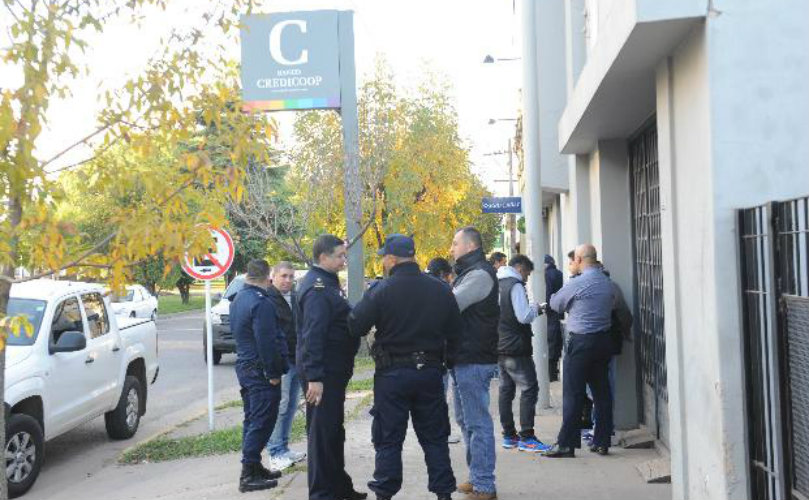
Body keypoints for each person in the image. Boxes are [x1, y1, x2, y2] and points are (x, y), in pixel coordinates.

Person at [349, 235, 462, 500]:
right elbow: (457, 333)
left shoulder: (381, 290)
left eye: (383, 258)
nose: (383, 263)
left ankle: (385, 494)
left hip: (392, 375)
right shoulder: (440, 289)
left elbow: (355, 325)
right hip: (430, 372)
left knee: (388, 438)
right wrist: (447, 364)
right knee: (435, 437)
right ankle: (443, 493)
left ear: (392, 258)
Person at [298, 235, 366, 500]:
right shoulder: (317, 288)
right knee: (322, 436)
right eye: (339, 256)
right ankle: (322, 493)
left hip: (333, 373)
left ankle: (339, 489)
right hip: (322, 375)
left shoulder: (327, 283)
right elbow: (313, 335)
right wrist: (314, 377)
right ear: (323, 257)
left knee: (333, 432)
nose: (343, 260)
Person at [542, 244, 615, 458]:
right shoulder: (607, 282)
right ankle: (602, 442)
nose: (571, 263)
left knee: (573, 393)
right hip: (603, 341)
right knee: (602, 393)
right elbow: (615, 305)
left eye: (573, 259)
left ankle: (567, 444)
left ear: (581, 259)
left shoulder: (578, 283)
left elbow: (555, 303)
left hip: (581, 343)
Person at [449, 227, 500, 500]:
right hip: (463, 357)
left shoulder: (479, 274)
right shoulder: (469, 273)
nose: (451, 248)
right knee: (467, 421)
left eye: (455, 243)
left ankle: (484, 485)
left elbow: (451, 305)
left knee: (477, 423)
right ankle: (477, 476)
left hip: (474, 359)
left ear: (470, 246)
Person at [230, 259, 288, 492]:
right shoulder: (260, 302)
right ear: (268, 278)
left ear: (247, 276)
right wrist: (273, 372)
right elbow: (267, 341)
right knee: (263, 420)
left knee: (252, 418)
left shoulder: (238, 299)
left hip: (245, 366)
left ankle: (254, 466)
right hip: (259, 370)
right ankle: (248, 473)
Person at [495, 254, 552, 453]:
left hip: (500, 346)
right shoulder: (515, 286)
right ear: (520, 268)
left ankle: (509, 435)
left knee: (506, 391)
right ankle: (527, 437)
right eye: (527, 273)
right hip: (517, 348)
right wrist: (536, 308)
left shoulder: (496, 283)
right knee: (529, 389)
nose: (527, 278)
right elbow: (523, 316)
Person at [266, 262, 306, 470]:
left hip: (297, 360)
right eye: (284, 276)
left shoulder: (296, 297)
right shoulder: (268, 299)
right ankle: (274, 452)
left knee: (291, 406)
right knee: (280, 407)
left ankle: (283, 448)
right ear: (273, 276)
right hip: (281, 364)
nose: (288, 280)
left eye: (291, 276)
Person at [544, 255, 564, 381]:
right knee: (555, 343)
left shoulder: (546, 275)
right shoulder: (558, 273)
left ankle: (550, 374)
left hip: (549, 313)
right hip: (557, 312)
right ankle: (553, 372)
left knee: (550, 342)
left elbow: (547, 295)